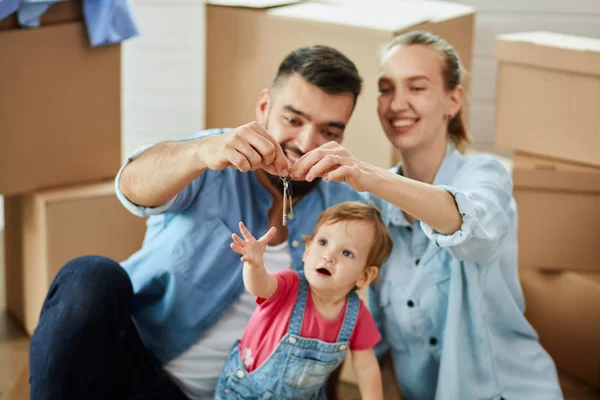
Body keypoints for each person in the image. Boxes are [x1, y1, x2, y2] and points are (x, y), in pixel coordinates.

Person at [29, 45, 366, 400]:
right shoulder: (213, 156)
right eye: (293, 120)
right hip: (132, 365)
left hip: (239, 393)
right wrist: (200, 153)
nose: (306, 144)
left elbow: (338, 322)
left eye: (329, 132)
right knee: (90, 276)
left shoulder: (346, 209)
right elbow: (131, 185)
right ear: (265, 106)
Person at [290, 31, 563, 400]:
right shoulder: (375, 213)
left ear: (453, 100)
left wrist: (372, 177)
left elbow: (471, 230)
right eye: (386, 89)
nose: (396, 103)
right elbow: (384, 340)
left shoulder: (484, 176)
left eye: (416, 88)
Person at [215, 202, 393, 400]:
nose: (328, 256)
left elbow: (366, 368)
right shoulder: (289, 284)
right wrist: (254, 265)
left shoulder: (355, 314)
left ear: (365, 275)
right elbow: (259, 286)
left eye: (346, 253)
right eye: (323, 242)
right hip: (246, 392)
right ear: (307, 250)